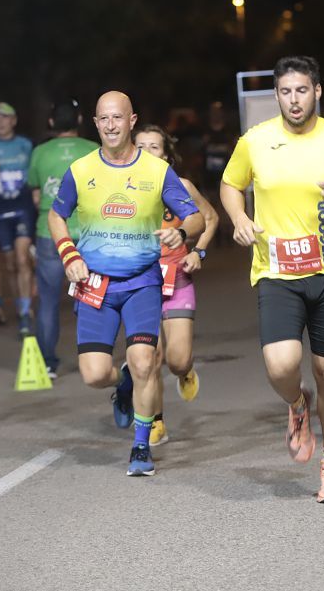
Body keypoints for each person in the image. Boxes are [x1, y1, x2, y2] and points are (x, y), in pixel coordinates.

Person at [221, 55, 324, 503]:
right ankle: (296, 404)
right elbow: (231, 184)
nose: (294, 100)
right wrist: (238, 217)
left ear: (318, 92)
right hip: (276, 270)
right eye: (286, 91)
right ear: (276, 95)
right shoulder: (255, 141)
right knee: (281, 364)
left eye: (302, 90)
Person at [48, 91, 202, 476]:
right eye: (104, 119)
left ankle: (140, 446)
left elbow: (196, 217)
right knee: (95, 374)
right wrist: (70, 255)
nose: (111, 125)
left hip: (142, 282)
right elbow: (56, 216)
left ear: (132, 120)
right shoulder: (81, 170)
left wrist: (181, 234)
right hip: (95, 284)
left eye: (118, 118)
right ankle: (123, 385)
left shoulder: (156, 171)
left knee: (144, 361)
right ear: (95, 124)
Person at [133, 125, 219, 446]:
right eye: (139, 147)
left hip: (177, 279)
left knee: (177, 359)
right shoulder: (126, 190)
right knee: (149, 357)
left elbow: (209, 219)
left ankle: (185, 371)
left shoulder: (181, 186)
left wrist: (199, 251)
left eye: (153, 147)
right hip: (141, 283)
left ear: (166, 156)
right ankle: (155, 421)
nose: (145, 153)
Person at [27, 99, 98, 377]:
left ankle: (47, 362)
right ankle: (94, 358)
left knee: (47, 300)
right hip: (90, 234)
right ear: (80, 120)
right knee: (93, 297)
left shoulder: (39, 153)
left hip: (50, 233)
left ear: (51, 122)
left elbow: (35, 195)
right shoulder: (93, 150)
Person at [0, 102, 35, 335]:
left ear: (14, 120)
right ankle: (19, 302)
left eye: (5, 117)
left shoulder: (25, 145)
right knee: (9, 262)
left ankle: (25, 310)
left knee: (22, 259)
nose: (0, 121)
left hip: (22, 207)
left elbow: (36, 175)